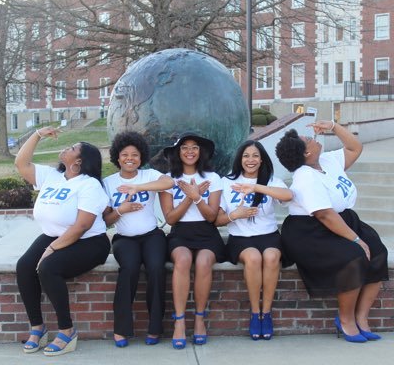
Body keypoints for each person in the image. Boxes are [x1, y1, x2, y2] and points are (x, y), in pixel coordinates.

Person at [275, 120, 388, 343]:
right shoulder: (305, 177)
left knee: (377, 251)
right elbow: (324, 215)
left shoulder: (327, 160)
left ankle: (361, 317)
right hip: (311, 231)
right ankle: (345, 319)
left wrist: (334, 127)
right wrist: (356, 240)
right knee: (353, 257)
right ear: (307, 152)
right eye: (309, 139)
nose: (314, 138)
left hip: (341, 219)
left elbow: (355, 148)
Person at [15, 126, 110, 356]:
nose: (67, 147)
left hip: (90, 241)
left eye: (73, 148)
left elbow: (82, 226)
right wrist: (37, 135)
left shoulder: (90, 184)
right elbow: (21, 163)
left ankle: (67, 331)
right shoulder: (52, 176)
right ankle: (38, 328)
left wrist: (51, 249)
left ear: (79, 161)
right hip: (54, 235)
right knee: (25, 266)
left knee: (48, 267)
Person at [215, 140, 292, 341]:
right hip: (240, 238)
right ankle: (254, 312)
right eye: (246, 156)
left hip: (269, 236)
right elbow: (217, 220)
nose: (251, 160)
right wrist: (236, 214)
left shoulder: (271, 180)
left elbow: (288, 195)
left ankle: (266, 313)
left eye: (255, 156)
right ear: (240, 159)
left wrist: (256, 187)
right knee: (254, 258)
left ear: (262, 159)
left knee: (272, 257)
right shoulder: (227, 182)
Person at [102, 131, 174, 348]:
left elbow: (169, 183)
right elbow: (106, 221)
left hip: (152, 235)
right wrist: (121, 210)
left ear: (141, 157)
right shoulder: (108, 183)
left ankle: (155, 327)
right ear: (117, 157)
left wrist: (138, 187)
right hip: (125, 239)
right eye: (125, 154)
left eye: (135, 154)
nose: (130, 158)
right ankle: (121, 328)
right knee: (130, 269)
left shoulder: (149, 175)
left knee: (155, 269)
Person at [159, 132, 225, 349]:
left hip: (207, 233)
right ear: (178, 152)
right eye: (185, 147)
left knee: (204, 261)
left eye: (194, 147)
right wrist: (189, 197)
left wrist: (197, 197)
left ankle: (199, 318)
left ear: (201, 152)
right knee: (183, 260)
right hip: (180, 233)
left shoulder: (212, 178)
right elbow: (170, 218)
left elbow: (212, 216)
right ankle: (179, 321)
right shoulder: (169, 179)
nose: (190, 151)